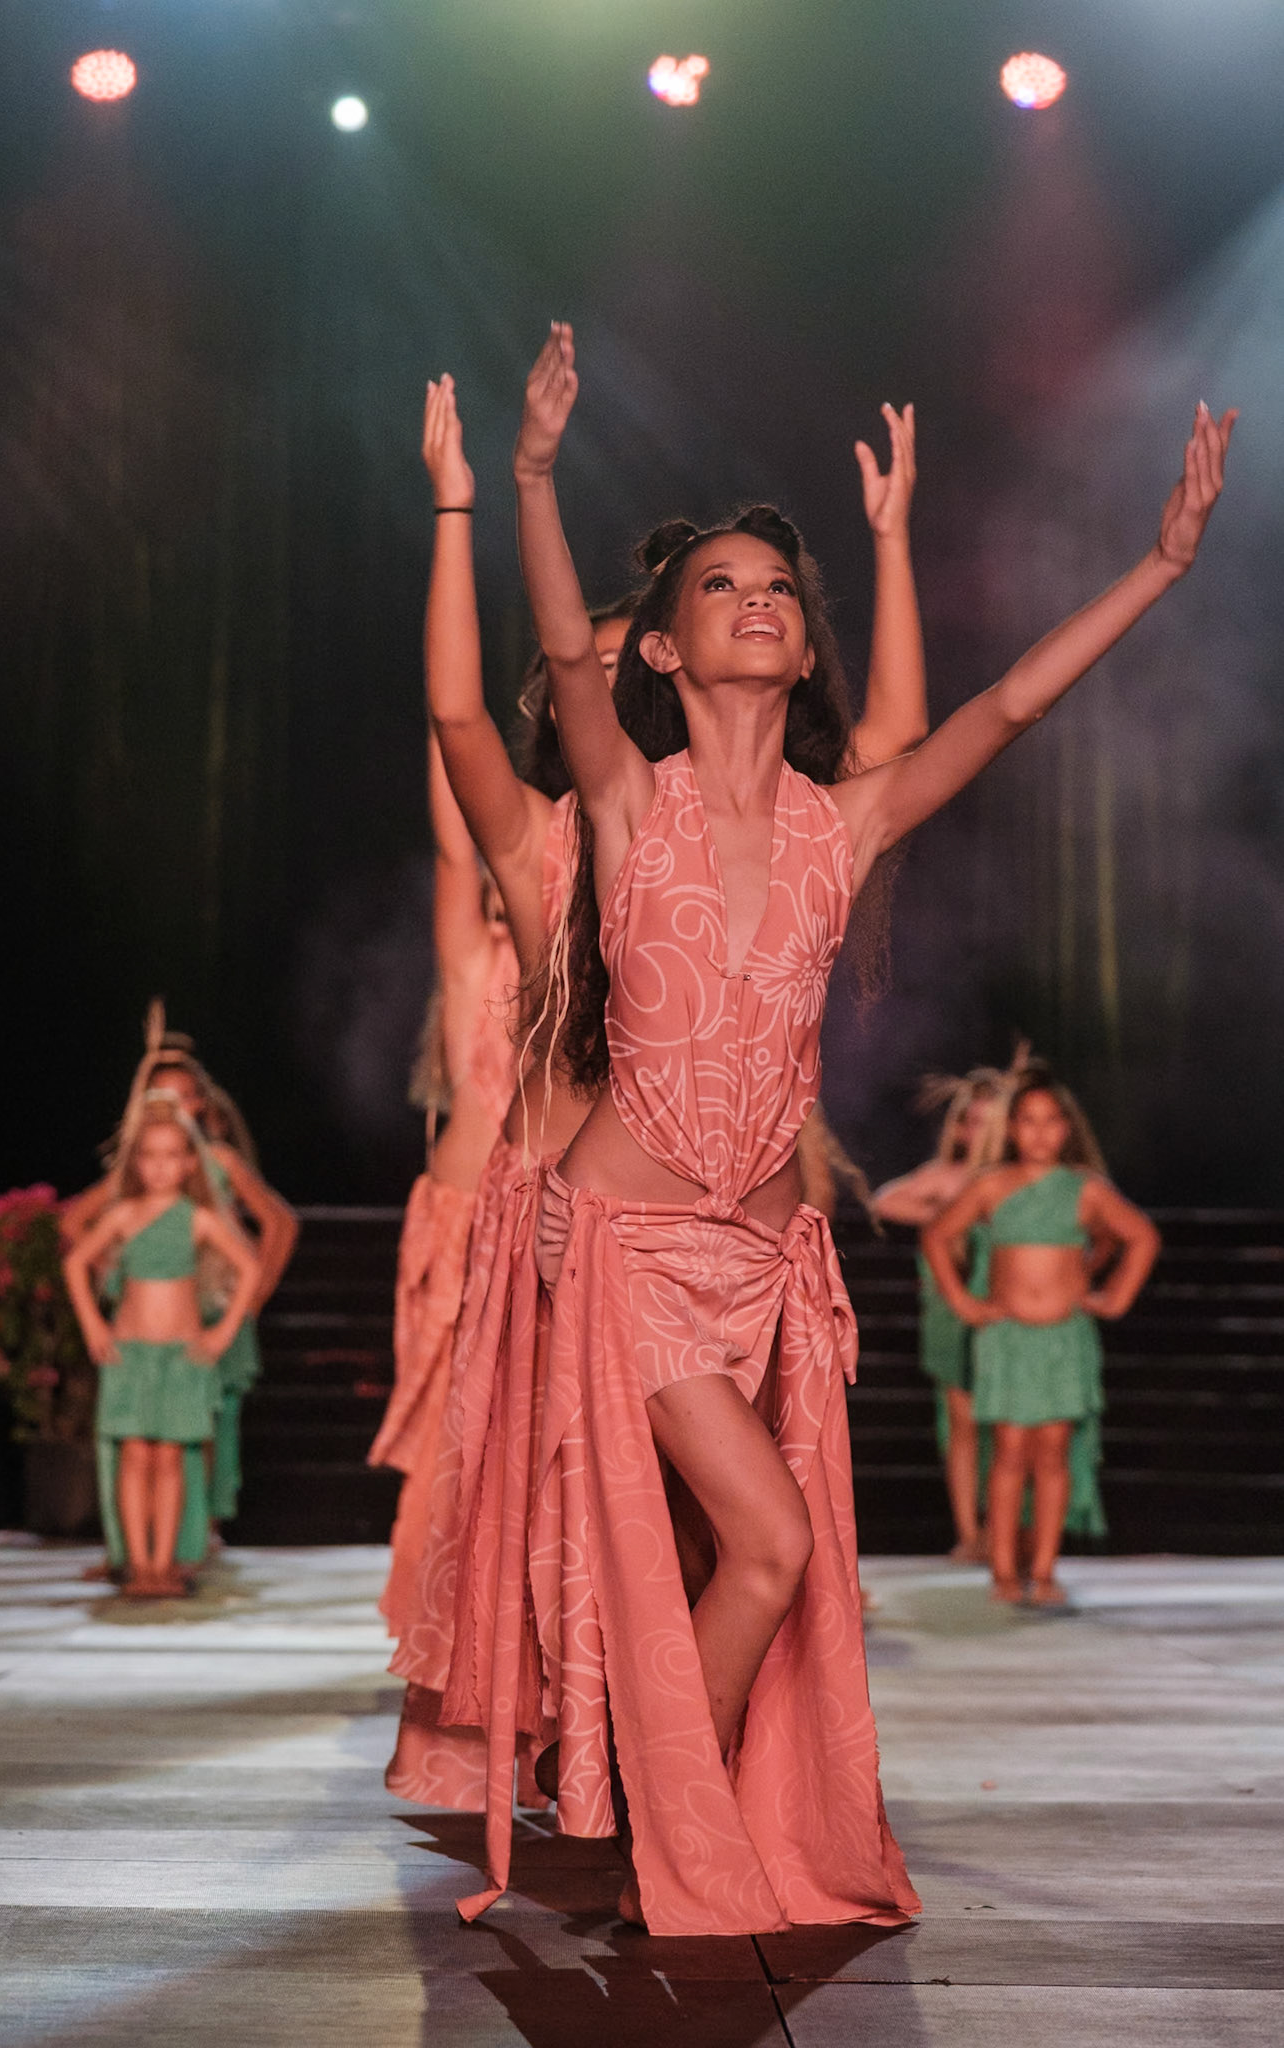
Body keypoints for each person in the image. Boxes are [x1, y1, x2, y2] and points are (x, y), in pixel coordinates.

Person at [498, 321, 1231, 1935]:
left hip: (764, 1263)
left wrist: (1162, 565)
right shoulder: (626, 799)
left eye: (779, 586)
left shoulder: (847, 822)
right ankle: (662, 1828)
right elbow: (558, 646)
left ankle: (637, 1802)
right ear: (665, 651)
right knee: (765, 1547)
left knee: (736, 1559)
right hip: (628, 1253)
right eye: (721, 588)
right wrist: (535, 475)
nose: (759, 600)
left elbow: (1011, 703)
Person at [384, 370, 930, 1832]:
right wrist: (462, 505)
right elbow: (454, 711)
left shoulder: (733, 832)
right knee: (593, 1529)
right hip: (588, 1243)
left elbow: (893, 741)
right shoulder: (548, 845)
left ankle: (661, 1783)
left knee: (709, 1538)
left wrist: (889, 545)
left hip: (724, 1236)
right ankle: (628, 1782)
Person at [368, 735, 520, 1641]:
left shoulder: (593, 969)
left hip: (554, 1226)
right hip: (466, 1226)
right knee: (453, 1442)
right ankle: (444, 1637)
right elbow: (456, 851)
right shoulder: (476, 965)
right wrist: (446, 717)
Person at [62, 1009, 298, 1569]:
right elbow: (76, 1226)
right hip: (145, 1325)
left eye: (184, 1096)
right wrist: (116, 1279)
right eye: (158, 1095)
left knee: (197, 1431)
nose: (171, 1105)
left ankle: (194, 1542)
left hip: (208, 1314)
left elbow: (279, 1224)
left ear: (203, 1105)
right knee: (139, 1440)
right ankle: (139, 1553)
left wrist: (250, 1301)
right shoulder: (141, 1172)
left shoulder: (214, 1162)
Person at [922, 1070, 1160, 1605]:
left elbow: (1141, 1235)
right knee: (1008, 1452)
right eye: (1027, 1121)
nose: (1039, 1132)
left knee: (1053, 1454)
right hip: (1007, 1339)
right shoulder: (991, 1185)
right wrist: (963, 1302)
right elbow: (937, 1234)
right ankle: (1004, 1569)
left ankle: (1046, 1569)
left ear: (1067, 1129)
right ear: (1010, 1129)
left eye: (1051, 1121)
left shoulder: (1084, 1189)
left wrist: (1115, 1297)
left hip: (1062, 1341)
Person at [62, 1095, 261, 1597]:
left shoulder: (198, 1218)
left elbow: (249, 1266)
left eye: (172, 1155)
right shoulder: (125, 1215)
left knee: (171, 1460)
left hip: (181, 1356)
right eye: (150, 1155)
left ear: (190, 1162)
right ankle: (138, 1565)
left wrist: (223, 1331)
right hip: (130, 1355)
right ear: (135, 1162)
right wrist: (93, 1326)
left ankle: (164, 1564)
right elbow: (75, 1262)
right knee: (134, 1458)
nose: (160, 1166)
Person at [873, 1064, 1012, 1558]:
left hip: (1003, 1307)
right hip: (949, 1310)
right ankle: (968, 1532)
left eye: (989, 1122)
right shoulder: (947, 1177)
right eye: (970, 1121)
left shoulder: (1011, 1180)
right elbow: (885, 1201)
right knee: (961, 1420)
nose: (977, 1132)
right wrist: (946, 1217)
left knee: (1008, 1420)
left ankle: (1002, 1529)